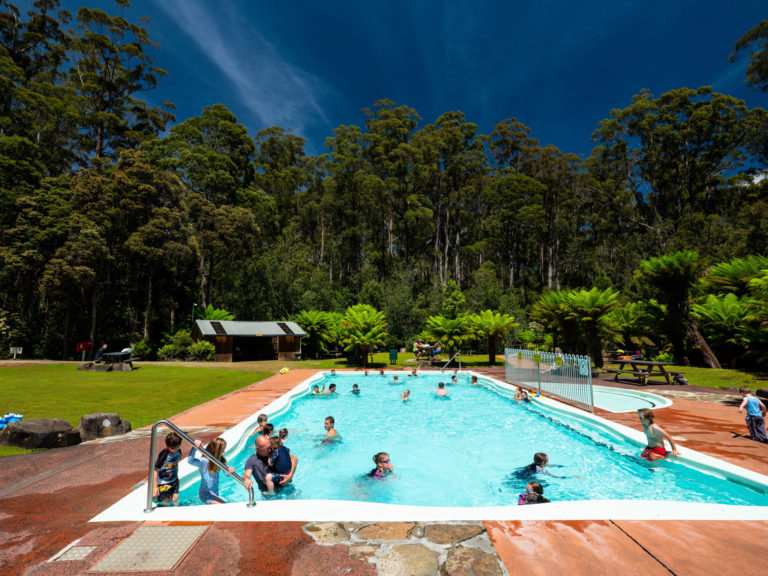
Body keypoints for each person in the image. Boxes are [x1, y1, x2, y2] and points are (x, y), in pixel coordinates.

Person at [188, 438, 235, 504]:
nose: (224, 452)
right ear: (217, 451)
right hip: (206, 494)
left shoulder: (220, 461)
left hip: (215, 493)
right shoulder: (204, 461)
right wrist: (194, 447)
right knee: (225, 506)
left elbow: (227, 475)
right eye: (222, 450)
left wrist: (231, 470)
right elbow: (190, 461)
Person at [153, 431, 183, 506]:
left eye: (177, 447)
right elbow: (155, 470)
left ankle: (177, 513)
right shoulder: (164, 455)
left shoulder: (179, 451)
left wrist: (176, 478)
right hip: (164, 483)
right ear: (168, 446)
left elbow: (175, 464)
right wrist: (155, 487)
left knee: (175, 497)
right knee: (167, 500)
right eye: (173, 448)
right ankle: (163, 513)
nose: (175, 450)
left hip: (174, 480)